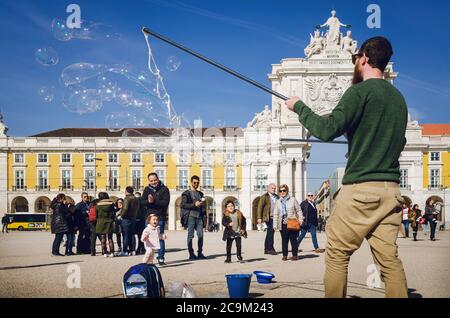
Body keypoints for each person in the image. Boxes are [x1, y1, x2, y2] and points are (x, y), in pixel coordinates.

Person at [286, 36, 409, 297]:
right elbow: (400, 141)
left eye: (356, 59)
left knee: (337, 255)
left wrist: (299, 107)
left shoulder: (359, 92)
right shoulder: (399, 99)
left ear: (364, 58)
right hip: (391, 193)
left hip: (360, 191)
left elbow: (327, 129)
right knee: (389, 263)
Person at [141, 172, 170, 265]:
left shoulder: (164, 189)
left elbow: (165, 202)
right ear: (149, 181)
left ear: (158, 179)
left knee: (159, 237)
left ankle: (161, 257)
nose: (153, 182)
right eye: (151, 181)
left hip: (160, 216)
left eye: (155, 180)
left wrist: (154, 200)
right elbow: (142, 202)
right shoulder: (147, 189)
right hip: (149, 217)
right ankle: (149, 257)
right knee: (148, 237)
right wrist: (148, 201)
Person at [273, 185, 303, 261]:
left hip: (292, 221)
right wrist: (275, 225)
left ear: (287, 191)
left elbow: (299, 210)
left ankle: (295, 255)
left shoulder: (293, 200)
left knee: (293, 240)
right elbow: (275, 214)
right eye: (280, 191)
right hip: (282, 223)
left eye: (284, 190)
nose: (282, 192)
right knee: (284, 240)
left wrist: (301, 220)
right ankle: (285, 255)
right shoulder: (278, 202)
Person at [181, 175, 207, 260]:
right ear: (191, 182)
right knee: (190, 235)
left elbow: (203, 208)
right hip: (191, 216)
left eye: (197, 182)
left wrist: (205, 219)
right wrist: (194, 205)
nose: (196, 184)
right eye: (194, 182)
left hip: (199, 217)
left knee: (200, 235)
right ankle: (191, 254)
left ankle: (200, 253)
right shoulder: (186, 193)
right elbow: (183, 205)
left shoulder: (200, 194)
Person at [256, 183, 279, 255]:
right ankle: (271, 249)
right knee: (271, 232)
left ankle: (266, 249)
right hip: (268, 217)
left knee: (269, 233)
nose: (274, 189)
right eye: (272, 188)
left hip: (275, 217)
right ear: (268, 189)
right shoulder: (264, 196)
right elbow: (260, 207)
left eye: (275, 188)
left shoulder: (277, 197)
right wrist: (259, 217)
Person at [120, 186, 140, 256]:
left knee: (126, 235)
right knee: (132, 235)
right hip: (133, 218)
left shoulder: (127, 198)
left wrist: (121, 216)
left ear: (127, 191)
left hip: (126, 218)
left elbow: (125, 208)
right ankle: (132, 250)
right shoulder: (136, 199)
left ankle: (125, 250)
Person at [95, 192, 116, 257]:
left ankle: (104, 253)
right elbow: (114, 213)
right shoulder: (111, 204)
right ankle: (112, 252)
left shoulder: (98, 205)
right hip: (109, 221)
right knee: (110, 238)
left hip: (101, 221)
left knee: (103, 238)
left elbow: (96, 214)